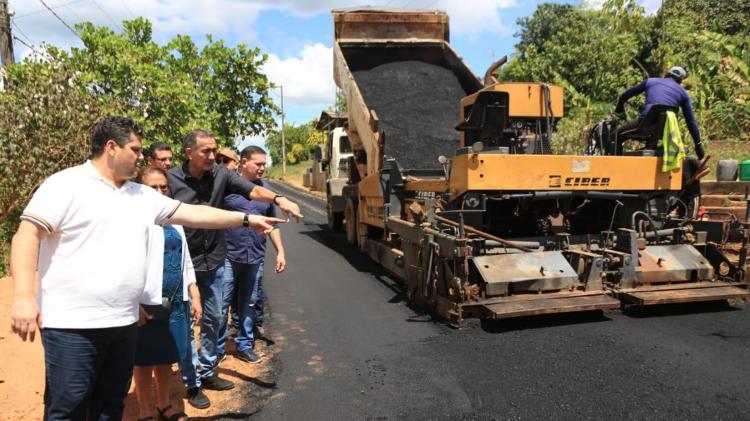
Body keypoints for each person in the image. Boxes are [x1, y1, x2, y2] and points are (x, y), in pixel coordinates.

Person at [10, 116, 285, 421]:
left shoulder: (141, 196)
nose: (142, 157)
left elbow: (195, 213)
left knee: (109, 405)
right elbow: (26, 235)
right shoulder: (66, 184)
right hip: (73, 326)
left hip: (123, 322)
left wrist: (246, 219)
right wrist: (23, 296)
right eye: (136, 149)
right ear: (111, 147)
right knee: (69, 406)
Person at [166, 130, 302, 395]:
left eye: (213, 150)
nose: (211, 156)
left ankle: (206, 370)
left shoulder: (221, 175)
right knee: (184, 324)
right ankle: (191, 382)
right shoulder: (171, 180)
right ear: (188, 153)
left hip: (215, 259)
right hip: (183, 263)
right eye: (205, 151)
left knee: (216, 318)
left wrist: (279, 198)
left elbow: (253, 190)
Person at [133, 166, 200, 421]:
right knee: (143, 361)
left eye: (163, 187)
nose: (160, 191)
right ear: (141, 190)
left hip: (176, 302)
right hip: (146, 304)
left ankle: (164, 404)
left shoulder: (174, 216)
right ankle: (145, 411)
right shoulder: (136, 219)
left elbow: (186, 260)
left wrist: (193, 292)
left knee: (166, 357)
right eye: (153, 187)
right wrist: (133, 302)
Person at [220, 146, 286, 364]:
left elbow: (273, 225)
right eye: (258, 164)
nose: (262, 168)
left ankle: (244, 345)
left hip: (255, 257)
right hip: (228, 256)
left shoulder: (267, 191)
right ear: (243, 162)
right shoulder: (226, 187)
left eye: (264, 164)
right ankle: (218, 349)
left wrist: (281, 252)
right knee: (222, 304)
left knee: (249, 302)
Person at [614, 65, 705, 159]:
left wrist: (619, 109)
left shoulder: (651, 81)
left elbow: (625, 95)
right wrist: (698, 145)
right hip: (665, 132)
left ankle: (615, 167)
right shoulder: (683, 93)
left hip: (644, 125)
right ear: (680, 81)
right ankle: (650, 150)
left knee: (617, 134)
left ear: (667, 74)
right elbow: (691, 122)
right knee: (653, 135)